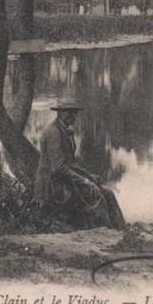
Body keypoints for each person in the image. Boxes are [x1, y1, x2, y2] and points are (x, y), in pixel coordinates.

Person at [34, 98, 126, 230]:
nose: (73, 116)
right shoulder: (54, 133)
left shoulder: (64, 130)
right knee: (96, 195)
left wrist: (89, 176)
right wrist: (85, 181)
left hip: (64, 181)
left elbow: (70, 165)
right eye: (68, 112)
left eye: (74, 112)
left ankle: (120, 229)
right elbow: (58, 169)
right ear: (59, 113)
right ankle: (105, 230)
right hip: (52, 186)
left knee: (108, 192)